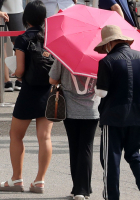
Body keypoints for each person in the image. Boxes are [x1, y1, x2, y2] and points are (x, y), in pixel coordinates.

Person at [94, 25, 140, 200]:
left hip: (113, 118)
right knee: (135, 155)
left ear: (109, 43)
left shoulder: (106, 62)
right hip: (138, 115)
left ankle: (112, 197)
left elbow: (102, 93)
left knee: (111, 161)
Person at [0, 1, 53, 193]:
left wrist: (16, 74)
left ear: (26, 19)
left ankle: (17, 179)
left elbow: (20, 70)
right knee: (44, 137)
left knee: (16, 135)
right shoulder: (50, 38)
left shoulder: (23, 39)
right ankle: (39, 181)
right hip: (48, 91)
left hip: (29, 92)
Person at [48, 57, 100, 200]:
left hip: (69, 108)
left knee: (74, 147)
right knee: (86, 148)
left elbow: (52, 80)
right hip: (92, 109)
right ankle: (82, 189)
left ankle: (77, 188)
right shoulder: (99, 58)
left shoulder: (63, 56)